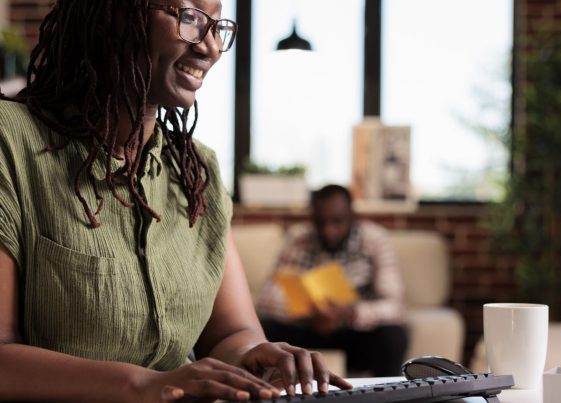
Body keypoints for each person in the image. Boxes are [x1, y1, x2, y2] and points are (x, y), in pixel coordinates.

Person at [0, 1, 351, 401]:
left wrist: (256, 358)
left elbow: (231, 334)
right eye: (189, 17)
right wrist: (145, 384)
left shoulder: (197, 172)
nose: (212, 47)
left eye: (217, 26)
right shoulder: (10, 143)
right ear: (114, 13)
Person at [257, 184, 409, 377]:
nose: (328, 231)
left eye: (337, 222)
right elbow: (265, 299)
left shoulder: (375, 239)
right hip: (308, 327)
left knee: (393, 336)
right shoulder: (298, 238)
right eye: (321, 223)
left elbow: (395, 306)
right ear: (312, 217)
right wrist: (311, 313)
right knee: (262, 327)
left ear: (352, 215)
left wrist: (350, 312)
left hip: (354, 333)